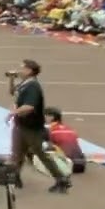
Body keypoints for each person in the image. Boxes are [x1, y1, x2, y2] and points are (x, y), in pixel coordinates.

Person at [6, 59, 70, 193]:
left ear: (29, 71)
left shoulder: (33, 87)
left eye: (22, 68)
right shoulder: (24, 83)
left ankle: (61, 179)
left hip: (32, 128)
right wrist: (11, 79)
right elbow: (13, 93)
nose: (20, 70)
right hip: (21, 125)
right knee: (17, 153)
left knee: (40, 154)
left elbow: (30, 106)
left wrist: (13, 113)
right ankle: (15, 176)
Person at [45, 108, 86, 174]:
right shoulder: (70, 129)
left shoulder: (52, 131)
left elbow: (49, 146)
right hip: (81, 161)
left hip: (68, 161)